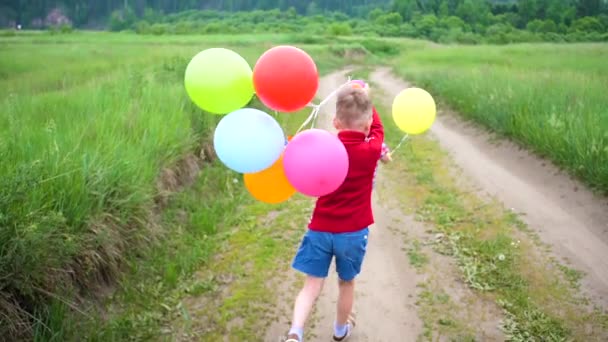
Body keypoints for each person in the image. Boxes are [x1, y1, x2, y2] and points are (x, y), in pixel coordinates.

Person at [284, 85, 385, 342]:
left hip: (320, 229)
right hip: (352, 233)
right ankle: (340, 331)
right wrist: (367, 97)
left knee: (311, 285)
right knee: (346, 283)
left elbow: (301, 157)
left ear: (336, 122)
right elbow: (377, 130)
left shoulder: (325, 148)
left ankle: (295, 332)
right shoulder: (371, 150)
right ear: (366, 124)